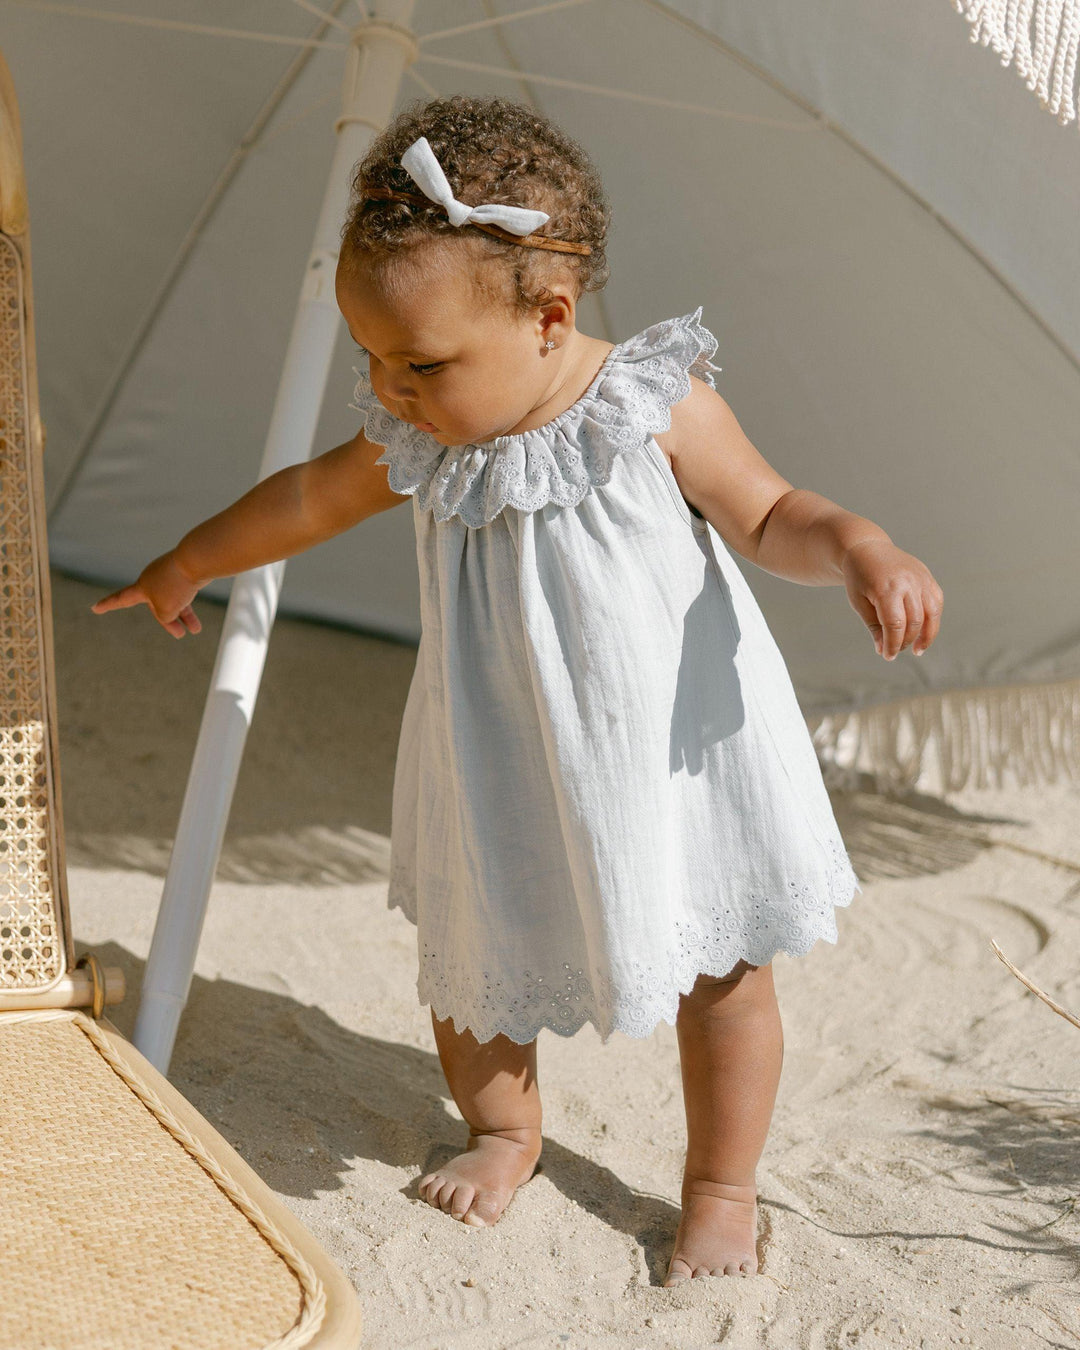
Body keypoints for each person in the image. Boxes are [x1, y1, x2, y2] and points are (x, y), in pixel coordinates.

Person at [92, 94, 943, 1285]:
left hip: (670, 755)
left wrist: (861, 548)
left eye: (422, 363)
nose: (389, 389)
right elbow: (302, 502)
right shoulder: (424, 443)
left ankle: (719, 1185)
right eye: (373, 359)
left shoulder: (651, 405)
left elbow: (771, 510)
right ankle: (505, 1129)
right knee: (473, 958)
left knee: (726, 973)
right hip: (495, 745)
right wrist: (189, 559)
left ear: (550, 317)